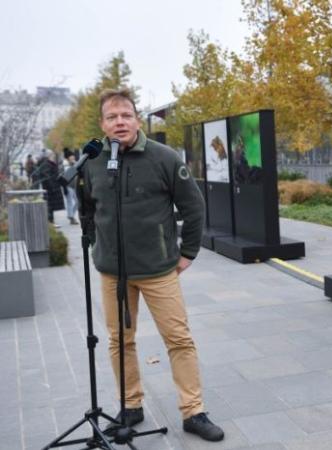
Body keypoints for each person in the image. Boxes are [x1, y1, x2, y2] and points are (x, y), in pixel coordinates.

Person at [80, 88, 223, 442]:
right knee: (119, 340)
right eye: (112, 117)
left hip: (159, 270)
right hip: (113, 272)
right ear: (103, 124)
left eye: (126, 115)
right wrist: (99, 244)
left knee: (178, 338)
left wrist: (188, 252)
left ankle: (193, 411)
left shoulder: (164, 157)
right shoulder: (94, 161)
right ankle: (131, 406)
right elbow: (86, 208)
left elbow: (194, 207)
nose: (119, 122)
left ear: (136, 119)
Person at [32, 149, 65, 223]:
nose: (53, 156)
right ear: (48, 156)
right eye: (52, 155)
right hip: (50, 188)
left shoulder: (49, 163)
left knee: (51, 206)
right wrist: (52, 186)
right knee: (49, 205)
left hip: (52, 187)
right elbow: (47, 176)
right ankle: (50, 220)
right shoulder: (46, 164)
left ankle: (51, 220)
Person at [62, 151, 78, 225]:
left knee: (77, 201)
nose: (73, 157)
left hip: (74, 185)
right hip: (68, 185)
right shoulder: (65, 165)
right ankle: (71, 217)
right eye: (72, 156)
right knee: (70, 202)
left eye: (73, 156)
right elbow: (67, 175)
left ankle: (71, 215)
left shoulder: (74, 163)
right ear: (68, 157)